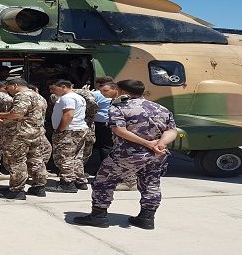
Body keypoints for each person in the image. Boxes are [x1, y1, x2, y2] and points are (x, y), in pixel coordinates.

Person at [73, 79, 178, 230]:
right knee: (151, 183)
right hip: (157, 155)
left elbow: (119, 131)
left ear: (122, 91)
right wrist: (160, 143)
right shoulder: (161, 108)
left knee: (103, 181)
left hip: (127, 154)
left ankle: (98, 216)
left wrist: (147, 143)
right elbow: (172, 130)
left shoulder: (119, 108)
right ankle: (146, 218)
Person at [0, 78, 49, 199]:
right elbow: (28, 116)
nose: (8, 91)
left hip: (20, 135)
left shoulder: (22, 96)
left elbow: (17, 114)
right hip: (36, 133)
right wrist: (5, 121)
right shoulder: (39, 96)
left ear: (15, 85)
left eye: (8, 88)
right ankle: (39, 187)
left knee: (16, 161)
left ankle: (17, 190)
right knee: (36, 160)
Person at [46, 80, 88, 193]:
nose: (52, 91)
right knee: (77, 157)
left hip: (69, 130)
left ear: (63, 87)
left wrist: (60, 129)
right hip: (79, 129)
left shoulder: (67, 98)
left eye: (53, 88)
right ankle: (80, 180)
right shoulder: (78, 97)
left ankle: (67, 183)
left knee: (65, 157)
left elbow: (68, 115)